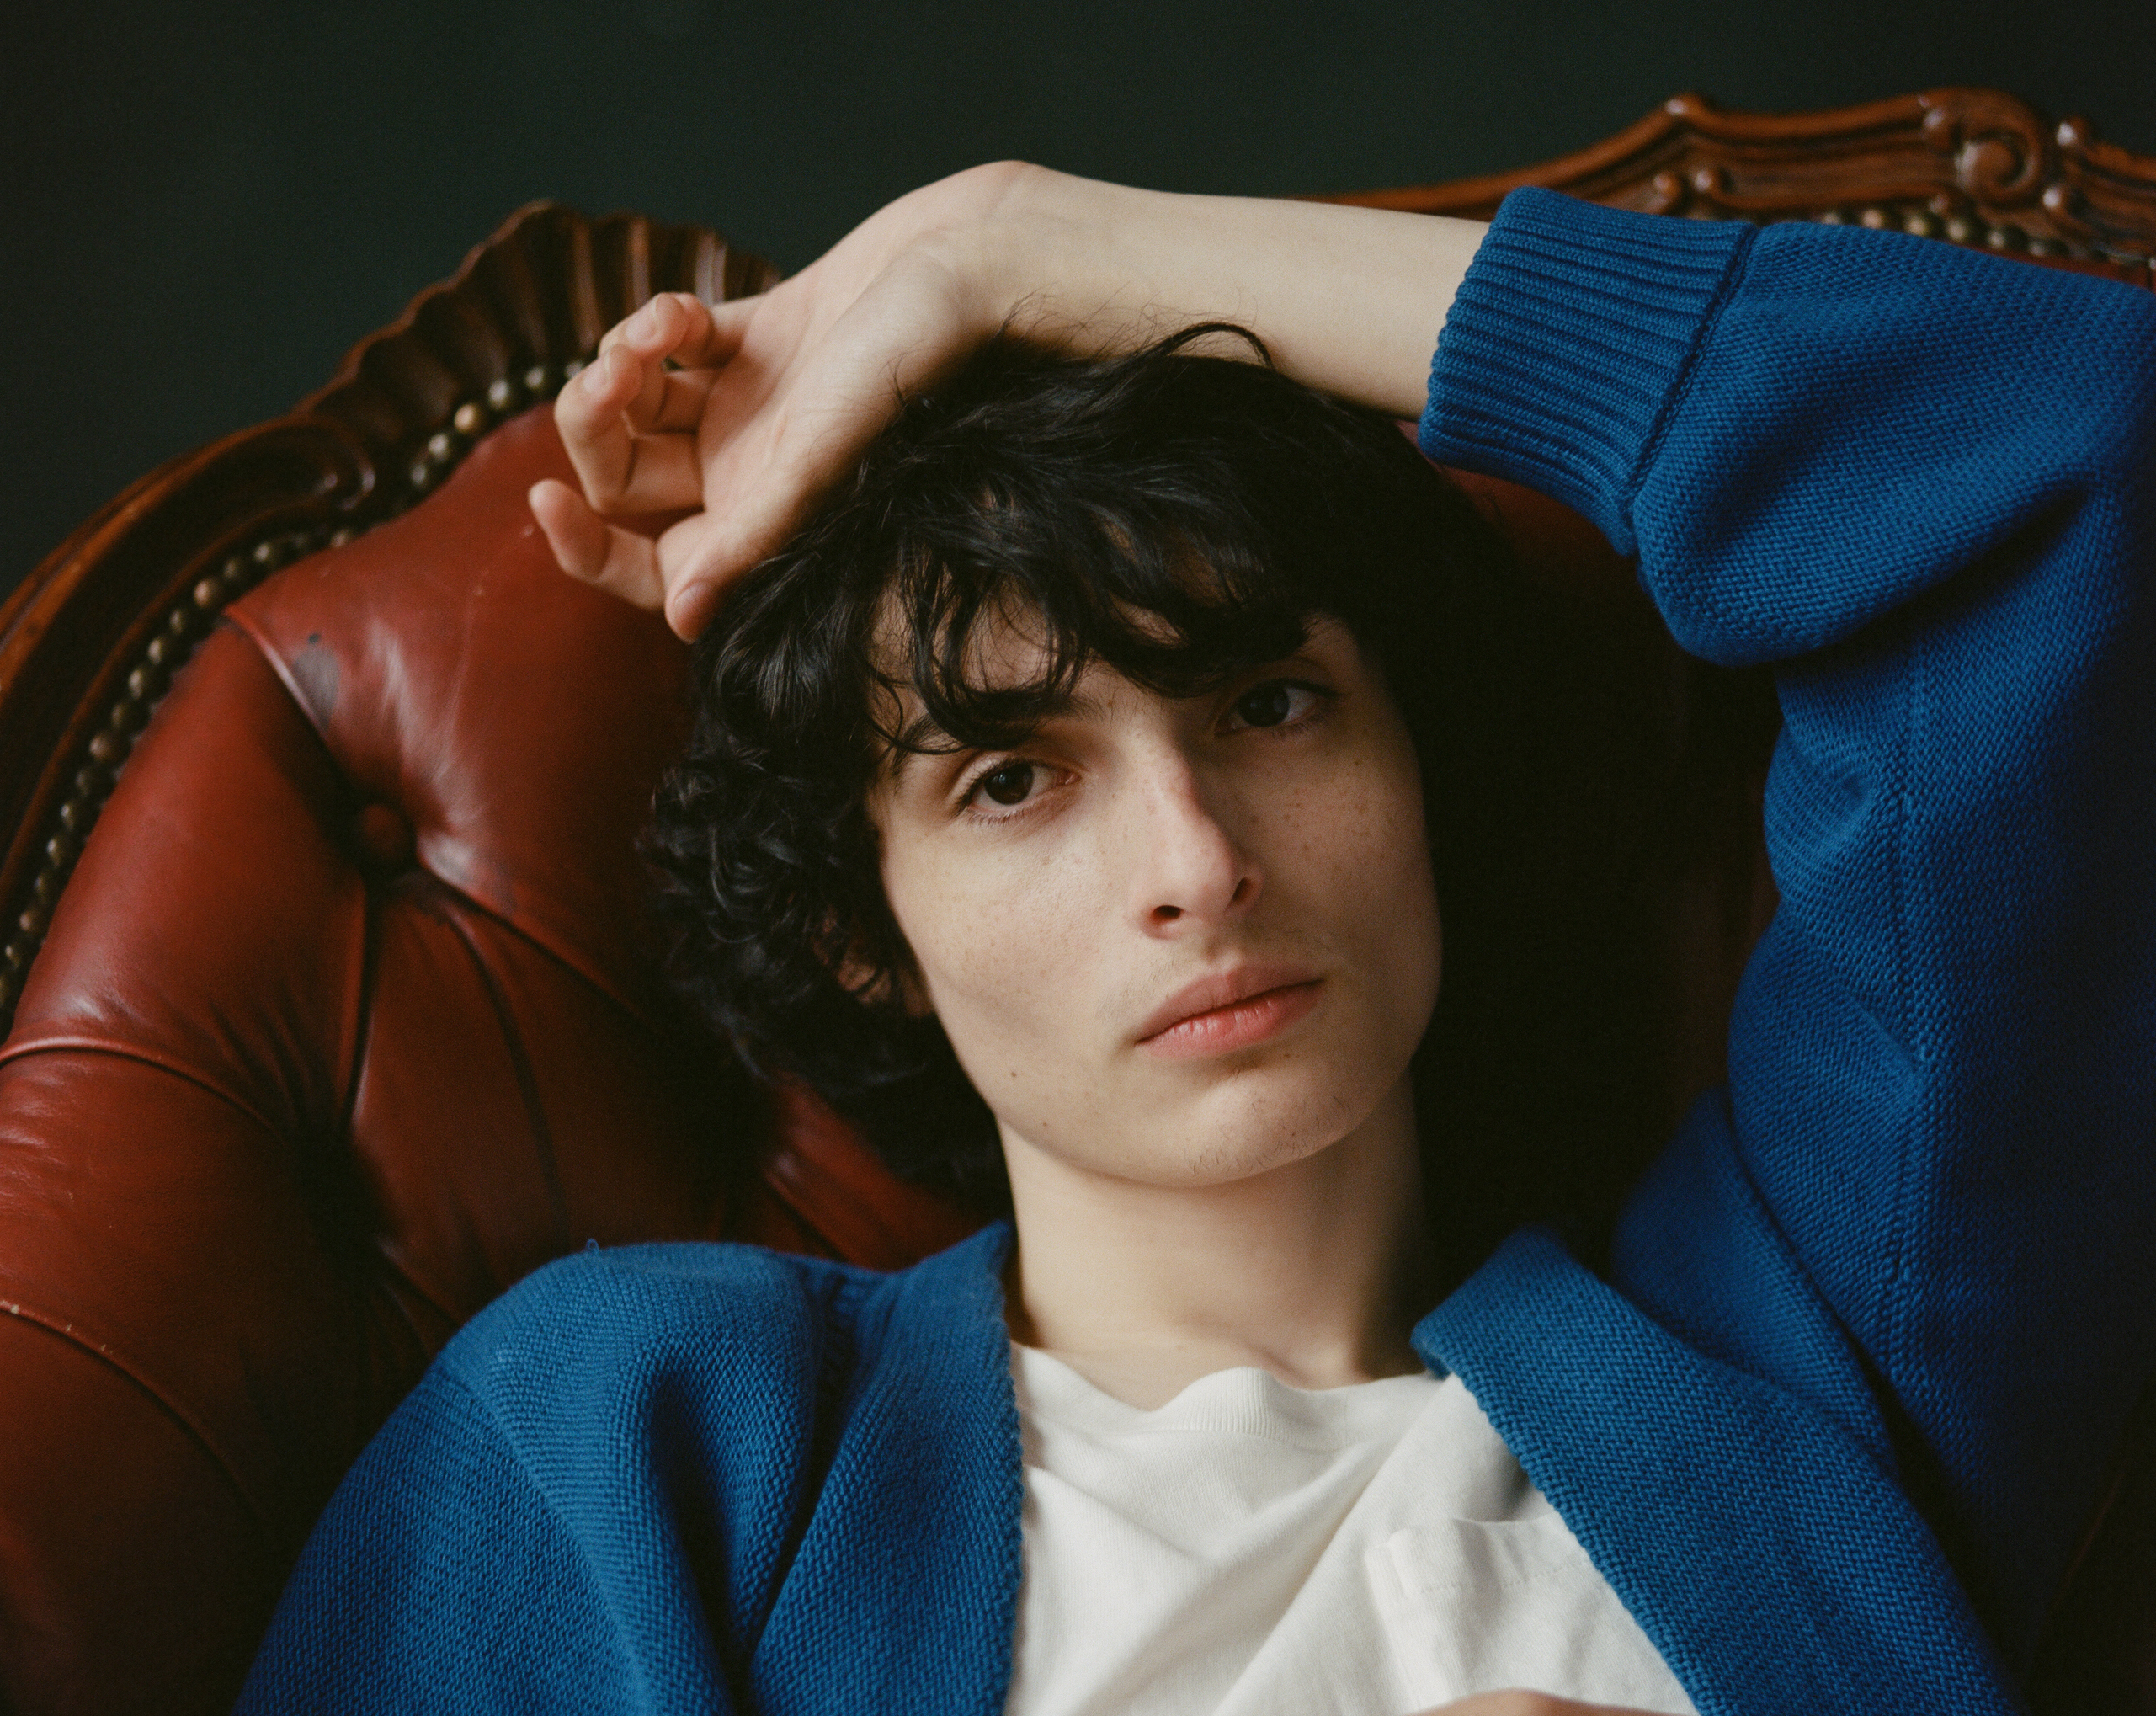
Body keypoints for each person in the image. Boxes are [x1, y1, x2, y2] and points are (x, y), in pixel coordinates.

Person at [236, 164, 2156, 1715]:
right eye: (1012, 778)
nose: (1198, 861)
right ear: (858, 925)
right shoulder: (631, 1431)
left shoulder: (1804, 1349)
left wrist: (1022, 242)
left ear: (1417, 761)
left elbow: (2046, 440)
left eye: (1268, 702)